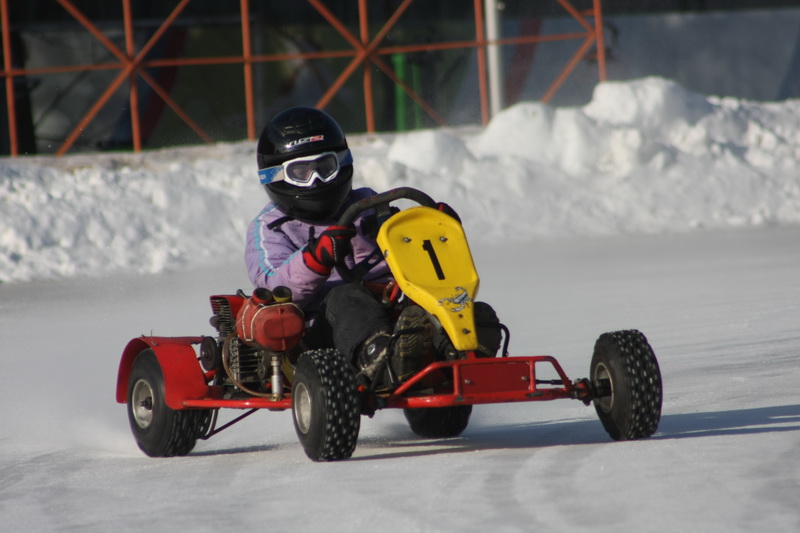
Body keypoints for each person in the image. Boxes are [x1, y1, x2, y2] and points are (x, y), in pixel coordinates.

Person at [244, 106, 501, 386]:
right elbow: (273, 288)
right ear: (276, 177)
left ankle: (455, 352)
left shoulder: (366, 204)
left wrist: (433, 226)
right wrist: (315, 259)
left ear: (342, 164)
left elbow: (405, 243)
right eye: (301, 172)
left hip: (388, 307)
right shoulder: (269, 228)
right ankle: (379, 357)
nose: (316, 180)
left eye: (325, 168)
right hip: (320, 330)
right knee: (347, 295)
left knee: (431, 302)